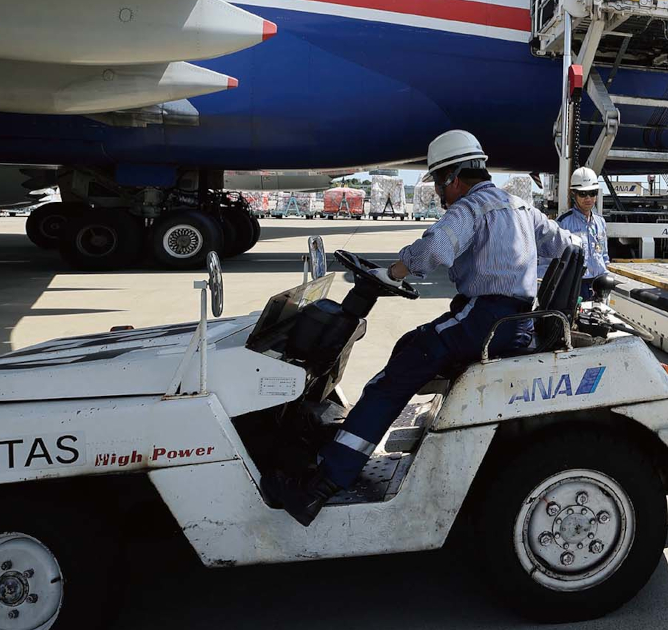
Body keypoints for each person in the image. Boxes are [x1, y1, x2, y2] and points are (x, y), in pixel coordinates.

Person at [260, 130, 575, 526]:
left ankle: (322, 483)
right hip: (516, 321)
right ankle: (351, 437)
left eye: (439, 184)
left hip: (484, 319)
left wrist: (392, 272)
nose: (441, 195)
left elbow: (436, 249)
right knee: (411, 346)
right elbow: (567, 245)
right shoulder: (520, 206)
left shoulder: (472, 207)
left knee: (395, 374)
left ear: (452, 177)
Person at [558, 167, 613, 300]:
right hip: (574, 286)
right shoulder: (563, 224)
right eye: (583, 194)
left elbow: (604, 255)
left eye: (592, 193)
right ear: (574, 194)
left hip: (599, 284)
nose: (588, 198)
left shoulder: (600, 222)